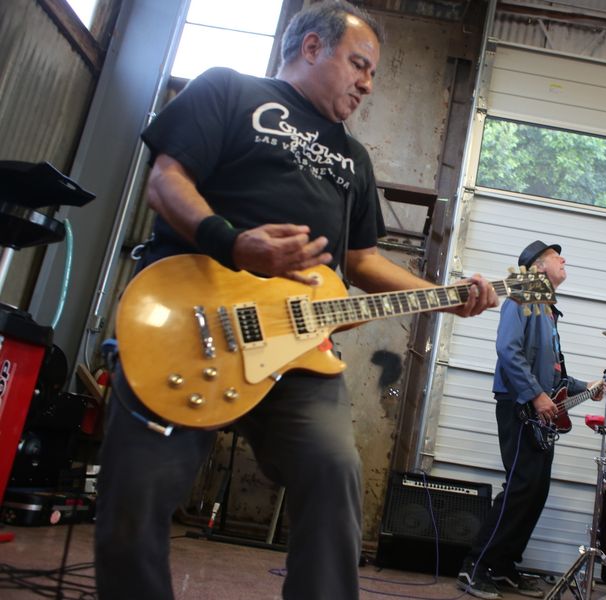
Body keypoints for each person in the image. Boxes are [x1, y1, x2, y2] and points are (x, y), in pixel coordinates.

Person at [93, 3, 497, 600]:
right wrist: (234, 243)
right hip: (192, 319)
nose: (368, 83)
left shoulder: (355, 159)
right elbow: (166, 180)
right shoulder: (228, 90)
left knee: (334, 473)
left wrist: (446, 296)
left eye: (374, 73)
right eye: (359, 65)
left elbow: (362, 263)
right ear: (311, 47)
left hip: (297, 348)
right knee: (135, 498)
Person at [457, 240, 603, 600]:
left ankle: (503, 566)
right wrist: (535, 395)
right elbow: (508, 350)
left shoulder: (548, 312)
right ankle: (475, 567)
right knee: (521, 486)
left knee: (535, 491)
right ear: (537, 268)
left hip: (537, 411)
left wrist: (586, 387)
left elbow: (552, 373)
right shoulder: (520, 298)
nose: (564, 259)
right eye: (556, 257)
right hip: (519, 404)